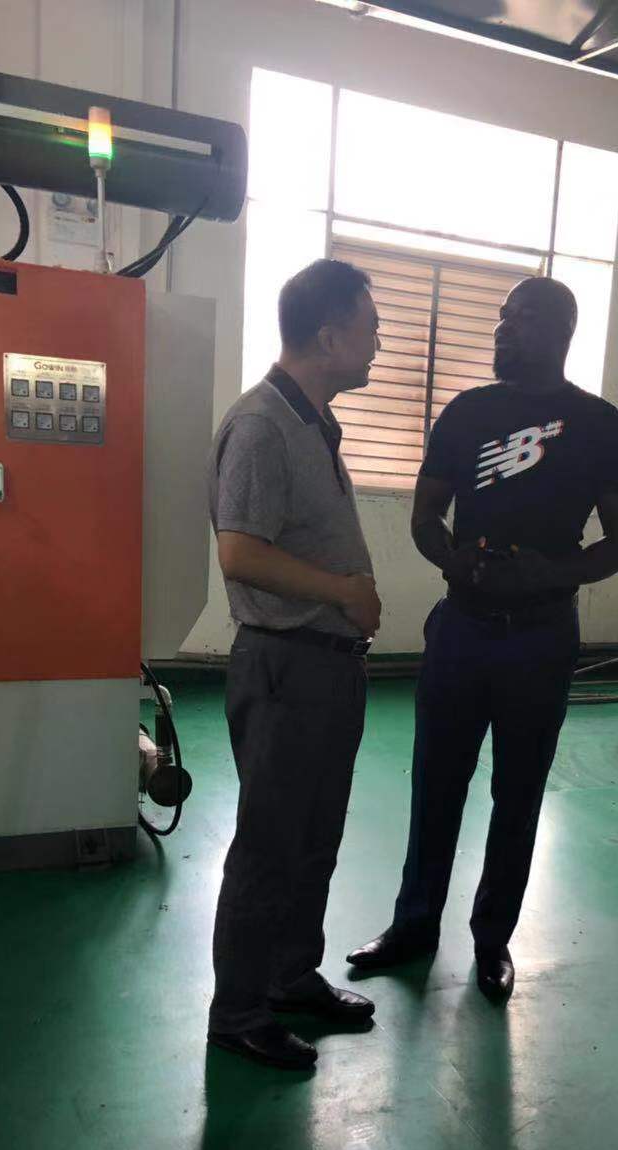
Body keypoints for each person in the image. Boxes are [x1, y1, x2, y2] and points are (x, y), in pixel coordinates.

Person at [348, 276, 618, 1002]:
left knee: (519, 793)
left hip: (542, 637)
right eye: (502, 318)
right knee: (435, 784)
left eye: (521, 318)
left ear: (562, 330)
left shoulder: (600, 425)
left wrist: (553, 572)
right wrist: (454, 560)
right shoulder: (467, 413)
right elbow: (425, 518)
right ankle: (413, 926)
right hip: (463, 630)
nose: (502, 329)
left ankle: (493, 940)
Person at [206, 259, 383, 1071]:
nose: (378, 342)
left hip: (328, 669)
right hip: (286, 667)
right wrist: (344, 591)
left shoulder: (312, 421)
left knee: (314, 837)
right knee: (270, 845)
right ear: (328, 335)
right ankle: (240, 1012)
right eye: (370, 327)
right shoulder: (262, 425)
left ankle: (288, 977)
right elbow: (240, 553)